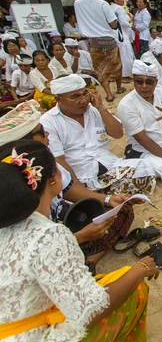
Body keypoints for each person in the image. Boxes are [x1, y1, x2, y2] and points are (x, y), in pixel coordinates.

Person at [0, 139, 158, 341]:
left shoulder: (9, 217)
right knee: (134, 285)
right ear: (53, 180)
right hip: (28, 334)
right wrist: (142, 268)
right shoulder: (48, 234)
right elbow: (90, 311)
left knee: (109, 279)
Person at [0, 100, 140, 273]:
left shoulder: (42, 163)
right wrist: (80, 237)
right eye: (42, 131)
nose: (48, 134)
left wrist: (109, 199)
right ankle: (83, 264)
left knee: (122, 211)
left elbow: (70, 188)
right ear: (24, 143)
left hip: (65, 223)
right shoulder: (12, 190)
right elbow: (33, 249)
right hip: (44, 250)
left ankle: (89, 261)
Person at [41, 74, 156, 193]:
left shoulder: (94, 109)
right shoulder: (48, 122)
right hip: (80, 175)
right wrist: (77, 187)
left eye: (85, 93)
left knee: (145, 168)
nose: (84, 100)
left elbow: (117, 134)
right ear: (58, 100)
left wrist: (101, 108)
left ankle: (106, 195)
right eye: (75, 96)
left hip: (109, 165)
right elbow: (59, 160)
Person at [74, 0, 122, 102]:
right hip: (108, 39)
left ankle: (109, 94)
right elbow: (113, 24)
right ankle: (119, 88)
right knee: (116, 65)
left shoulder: (77, 3)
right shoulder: (102, 3)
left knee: (100, 69)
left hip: (93, 41)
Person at [110, 0, 135, 84]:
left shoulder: (110, 8)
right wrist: (131, 24)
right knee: (125, 54)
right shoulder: (119, 9)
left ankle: (115, 75)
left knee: (117, 55)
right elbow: (123, 23)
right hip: (121, 34)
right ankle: (125, 75)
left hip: (114, 34)